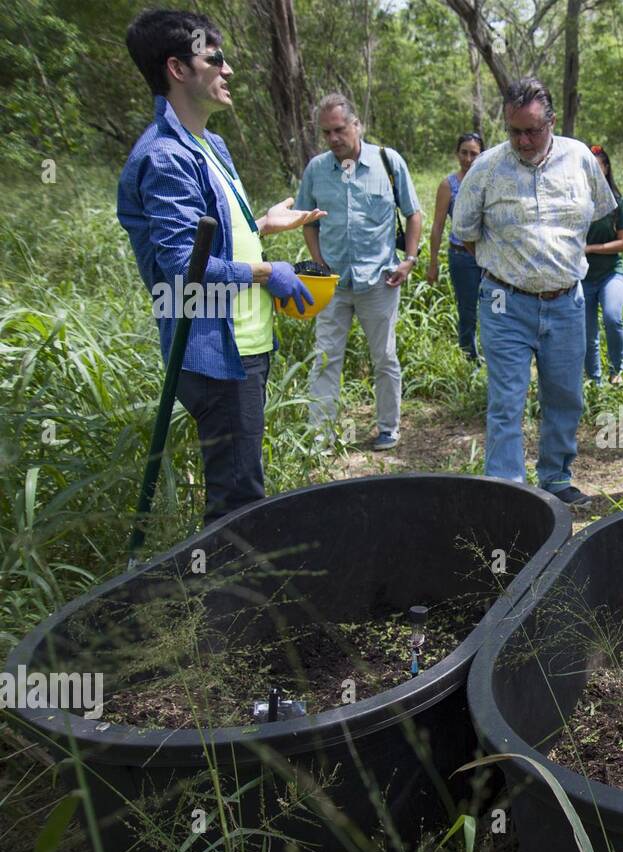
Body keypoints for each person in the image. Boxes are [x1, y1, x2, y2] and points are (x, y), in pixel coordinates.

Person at [117, 8, 322, 524]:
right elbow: (186, 263)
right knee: (237, 503)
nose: (228, 70)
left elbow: (215, 237)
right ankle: (227, 599)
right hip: (216, 355)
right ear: (178, 69)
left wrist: (262, 228)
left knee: (242, 484)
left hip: (246, 344)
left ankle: (231, 590)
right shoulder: (166, 157)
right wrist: (267, 271)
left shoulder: (210, 145)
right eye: (216, 58)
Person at [451, 77, 616, 505]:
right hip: (505, 304)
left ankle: (556, 478)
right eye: (514, 131)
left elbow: (598, 215)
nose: (523, 140)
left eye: (532, 130)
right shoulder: (486, 168)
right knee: (507, 399)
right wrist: (514, 265)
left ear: (552, 122)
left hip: (567, 303)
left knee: (565, 395)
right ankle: (508, 492)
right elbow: (467, 234)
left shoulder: (580, 159)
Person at [297, 93, 423, 453]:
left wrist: (409, 260)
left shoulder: (387, 162)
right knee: (325, 358)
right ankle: (320, 436)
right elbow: (307, 220)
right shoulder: (317, 169)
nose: (333, 139)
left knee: (383, 356)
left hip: (379, 280)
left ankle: (388, 427)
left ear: (356, 125)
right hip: (333, 283)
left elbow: (413, 213)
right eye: (326, 133)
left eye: (339, 129)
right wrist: (318, 262)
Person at [427, 132, 485, 361]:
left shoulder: (488, 181)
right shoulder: (449, 185)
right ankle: (469, 357)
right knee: (468, 309)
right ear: (457, 153)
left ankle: (495, 352)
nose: (468, 158)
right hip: (462, 257)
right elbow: (438, 226)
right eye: (464, 152)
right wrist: (433, 263)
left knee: (496, 305)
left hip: (488, 256)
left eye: (474, 154)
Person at [583, 144, 623, 386]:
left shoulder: (618, 203)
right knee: (587, 331)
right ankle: (594, 379)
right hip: (581, 276)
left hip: (610, 274)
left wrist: (591, 249)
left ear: (606, 168)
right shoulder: (575, 201)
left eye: (598, 165)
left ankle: (616, 370)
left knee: (612, 317)